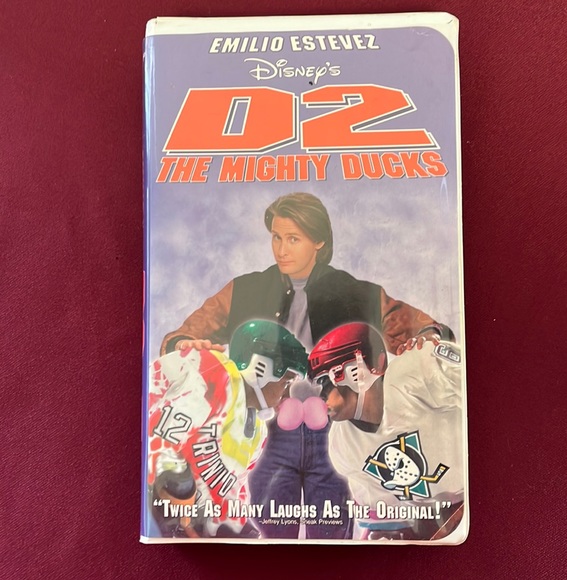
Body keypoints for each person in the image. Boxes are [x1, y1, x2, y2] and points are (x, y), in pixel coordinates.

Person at [160, 192, 453, 539]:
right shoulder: (245, 289)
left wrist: (428, 335)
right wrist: (185, 344)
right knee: (269, 535)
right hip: (268, 434)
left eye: (293, 239)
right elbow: (185, 335)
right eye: (276, 237)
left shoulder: (355, 292)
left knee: (331, 538)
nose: (281, 249)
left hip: (333, 433)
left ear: (319, 242)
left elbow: (412, 324)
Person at [147, 319, 308, 539]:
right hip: (142, 489)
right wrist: (178, 496)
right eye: (286, 383)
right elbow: (159, 443)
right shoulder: (213, 373)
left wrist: (231, 526)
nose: (287, 394)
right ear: (260, 368)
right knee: (176, 484)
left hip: (182, 513)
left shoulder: (257, 431)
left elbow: (229, 491)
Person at [308, 322, 464, 541]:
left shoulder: (416, 369)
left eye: (325, 380)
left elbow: (486, 387)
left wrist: (435, 335)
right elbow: (384, 518)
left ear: (357, 370)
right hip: (436, 519)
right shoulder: (340, 445)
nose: (320, 395)